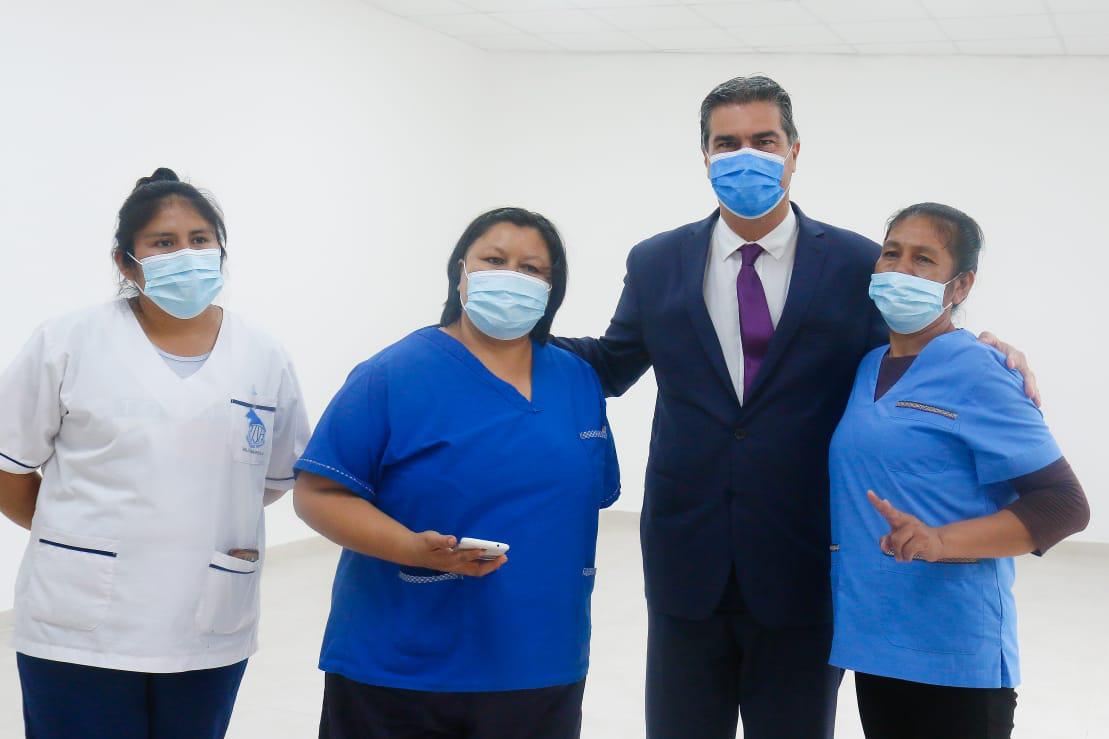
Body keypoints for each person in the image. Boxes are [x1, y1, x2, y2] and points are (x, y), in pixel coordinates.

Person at [556, 75, 1038, 739]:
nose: (745, 156)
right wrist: (508, 341)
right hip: (686, 555)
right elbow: (612, 362)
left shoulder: (855, 264)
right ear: (704, 155)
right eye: (727, 143)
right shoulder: (656, 260)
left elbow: (910, 349)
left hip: (806, 557)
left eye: (763, 140)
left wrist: (986, 345)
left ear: (793, 150)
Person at [0, 168, 309, 739]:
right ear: (126, 262)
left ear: (221, 251)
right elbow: (8, 469)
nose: (185, 255)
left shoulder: (262, 353)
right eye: (163, 243)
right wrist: (78, 533)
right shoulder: (66, 341)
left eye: (199, 239)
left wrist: (193, 519)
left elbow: (271, 479)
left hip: (208, 618)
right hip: (80, 626)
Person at [292, 207, 620, 739]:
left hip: (541, 663)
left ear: (552, 289)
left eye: (532, 268)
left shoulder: (577, 381)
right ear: (461, 272)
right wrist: (411, 548)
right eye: (494, 260)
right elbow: (317, 493)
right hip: (403, 668)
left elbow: (578, 503)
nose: (512, 277)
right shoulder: (393, 375)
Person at [828, 202, 1089, 739]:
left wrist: (940, 541)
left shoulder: (980, 370)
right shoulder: (868, 366)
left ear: (961, 285)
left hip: (954, 655)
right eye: (891, 254)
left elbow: (1063, 505)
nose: (901, 270)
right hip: (878, 645)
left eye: (924, 259)